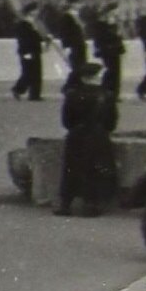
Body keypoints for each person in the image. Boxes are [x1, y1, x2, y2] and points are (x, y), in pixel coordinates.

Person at [56, 62, 119, 217]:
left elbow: (66, 121)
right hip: (98, 136)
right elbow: (111, 122)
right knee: (96, 170)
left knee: (71, 170)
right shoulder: (107, 96)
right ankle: (91, 204)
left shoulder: (72, 95)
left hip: (76, 136)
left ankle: (65, 203)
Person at [11, 7, 47, 102]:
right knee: (28, 72)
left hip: (35, 50)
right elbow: (24, 39)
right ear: (29, 12)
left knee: (37, 73)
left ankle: (35, 94)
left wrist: (46, 38)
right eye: (34, 10)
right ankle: (18, 89)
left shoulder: (34, 24)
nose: (37, 12)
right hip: (27, 51)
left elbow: (36, 37)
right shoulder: (23, 24)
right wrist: (26, 52)